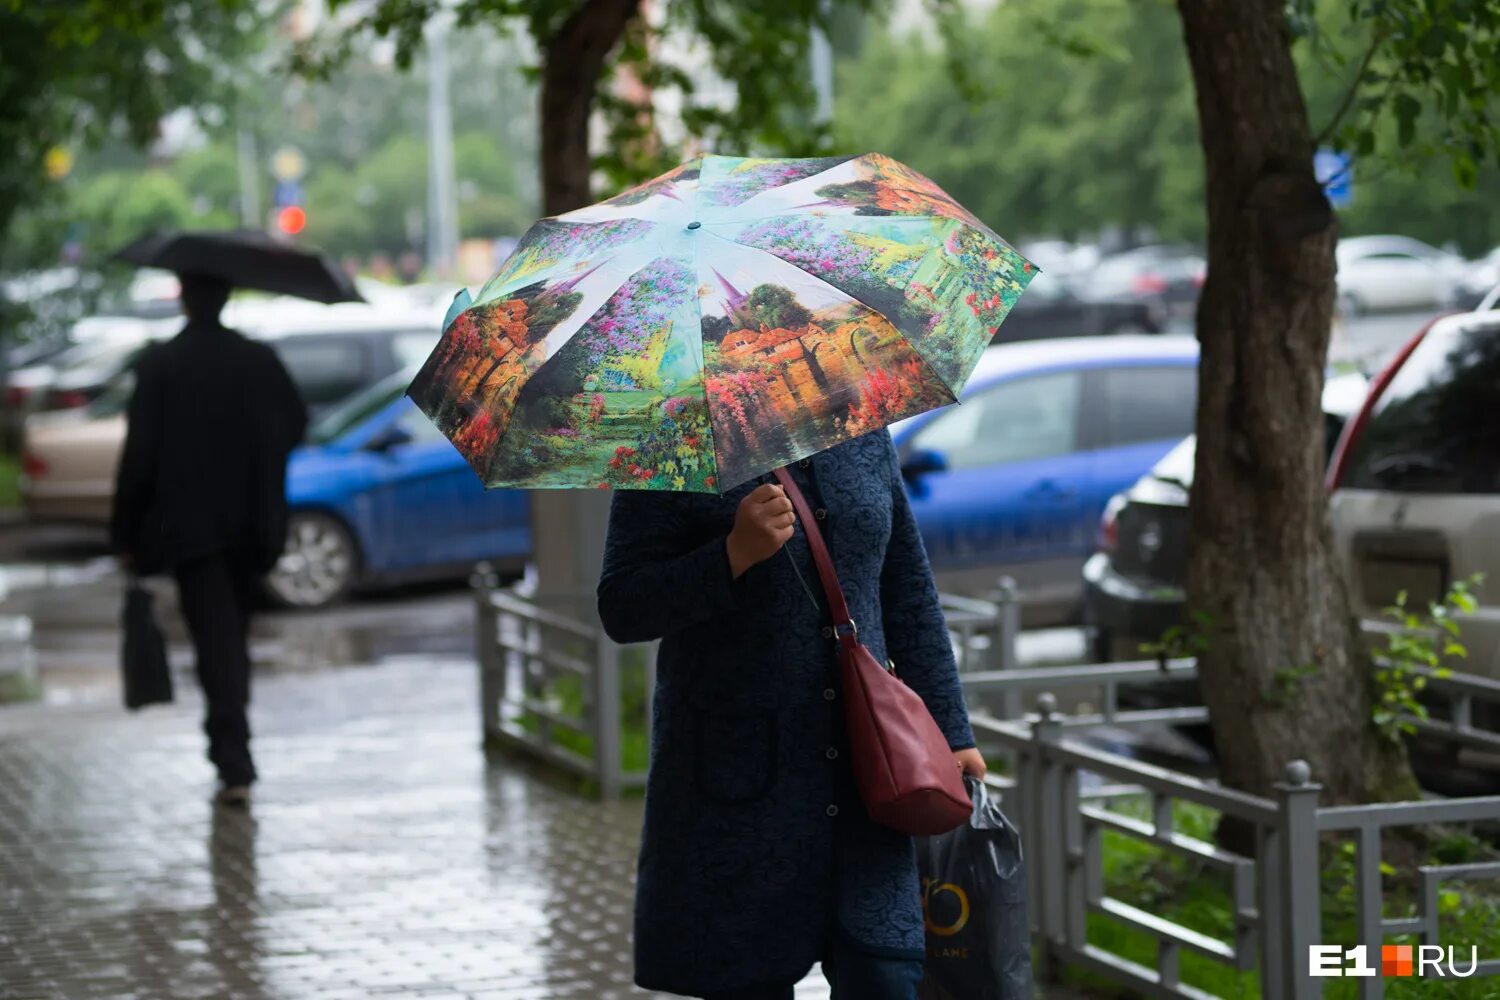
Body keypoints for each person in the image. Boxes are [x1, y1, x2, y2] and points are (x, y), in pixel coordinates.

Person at [597, 429, 985, 1000]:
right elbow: (623, 607)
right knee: (747, 978)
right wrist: (733, 554)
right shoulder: (672, 443)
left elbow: (907, 588)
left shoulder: (858, 430)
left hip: (869, 776)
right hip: (738, 794)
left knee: (885, 973)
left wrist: (952, 729)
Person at [111, 273, 307, 807]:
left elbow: (139, 460)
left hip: (192, 528)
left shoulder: (161, 366)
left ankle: (233, 761)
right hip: (254, 524)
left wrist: (126, 531)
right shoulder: (259, 361)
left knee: (216, 640)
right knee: (231, 636)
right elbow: (295, 426)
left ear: (184, 298)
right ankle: (233, 753)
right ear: (225, 297)